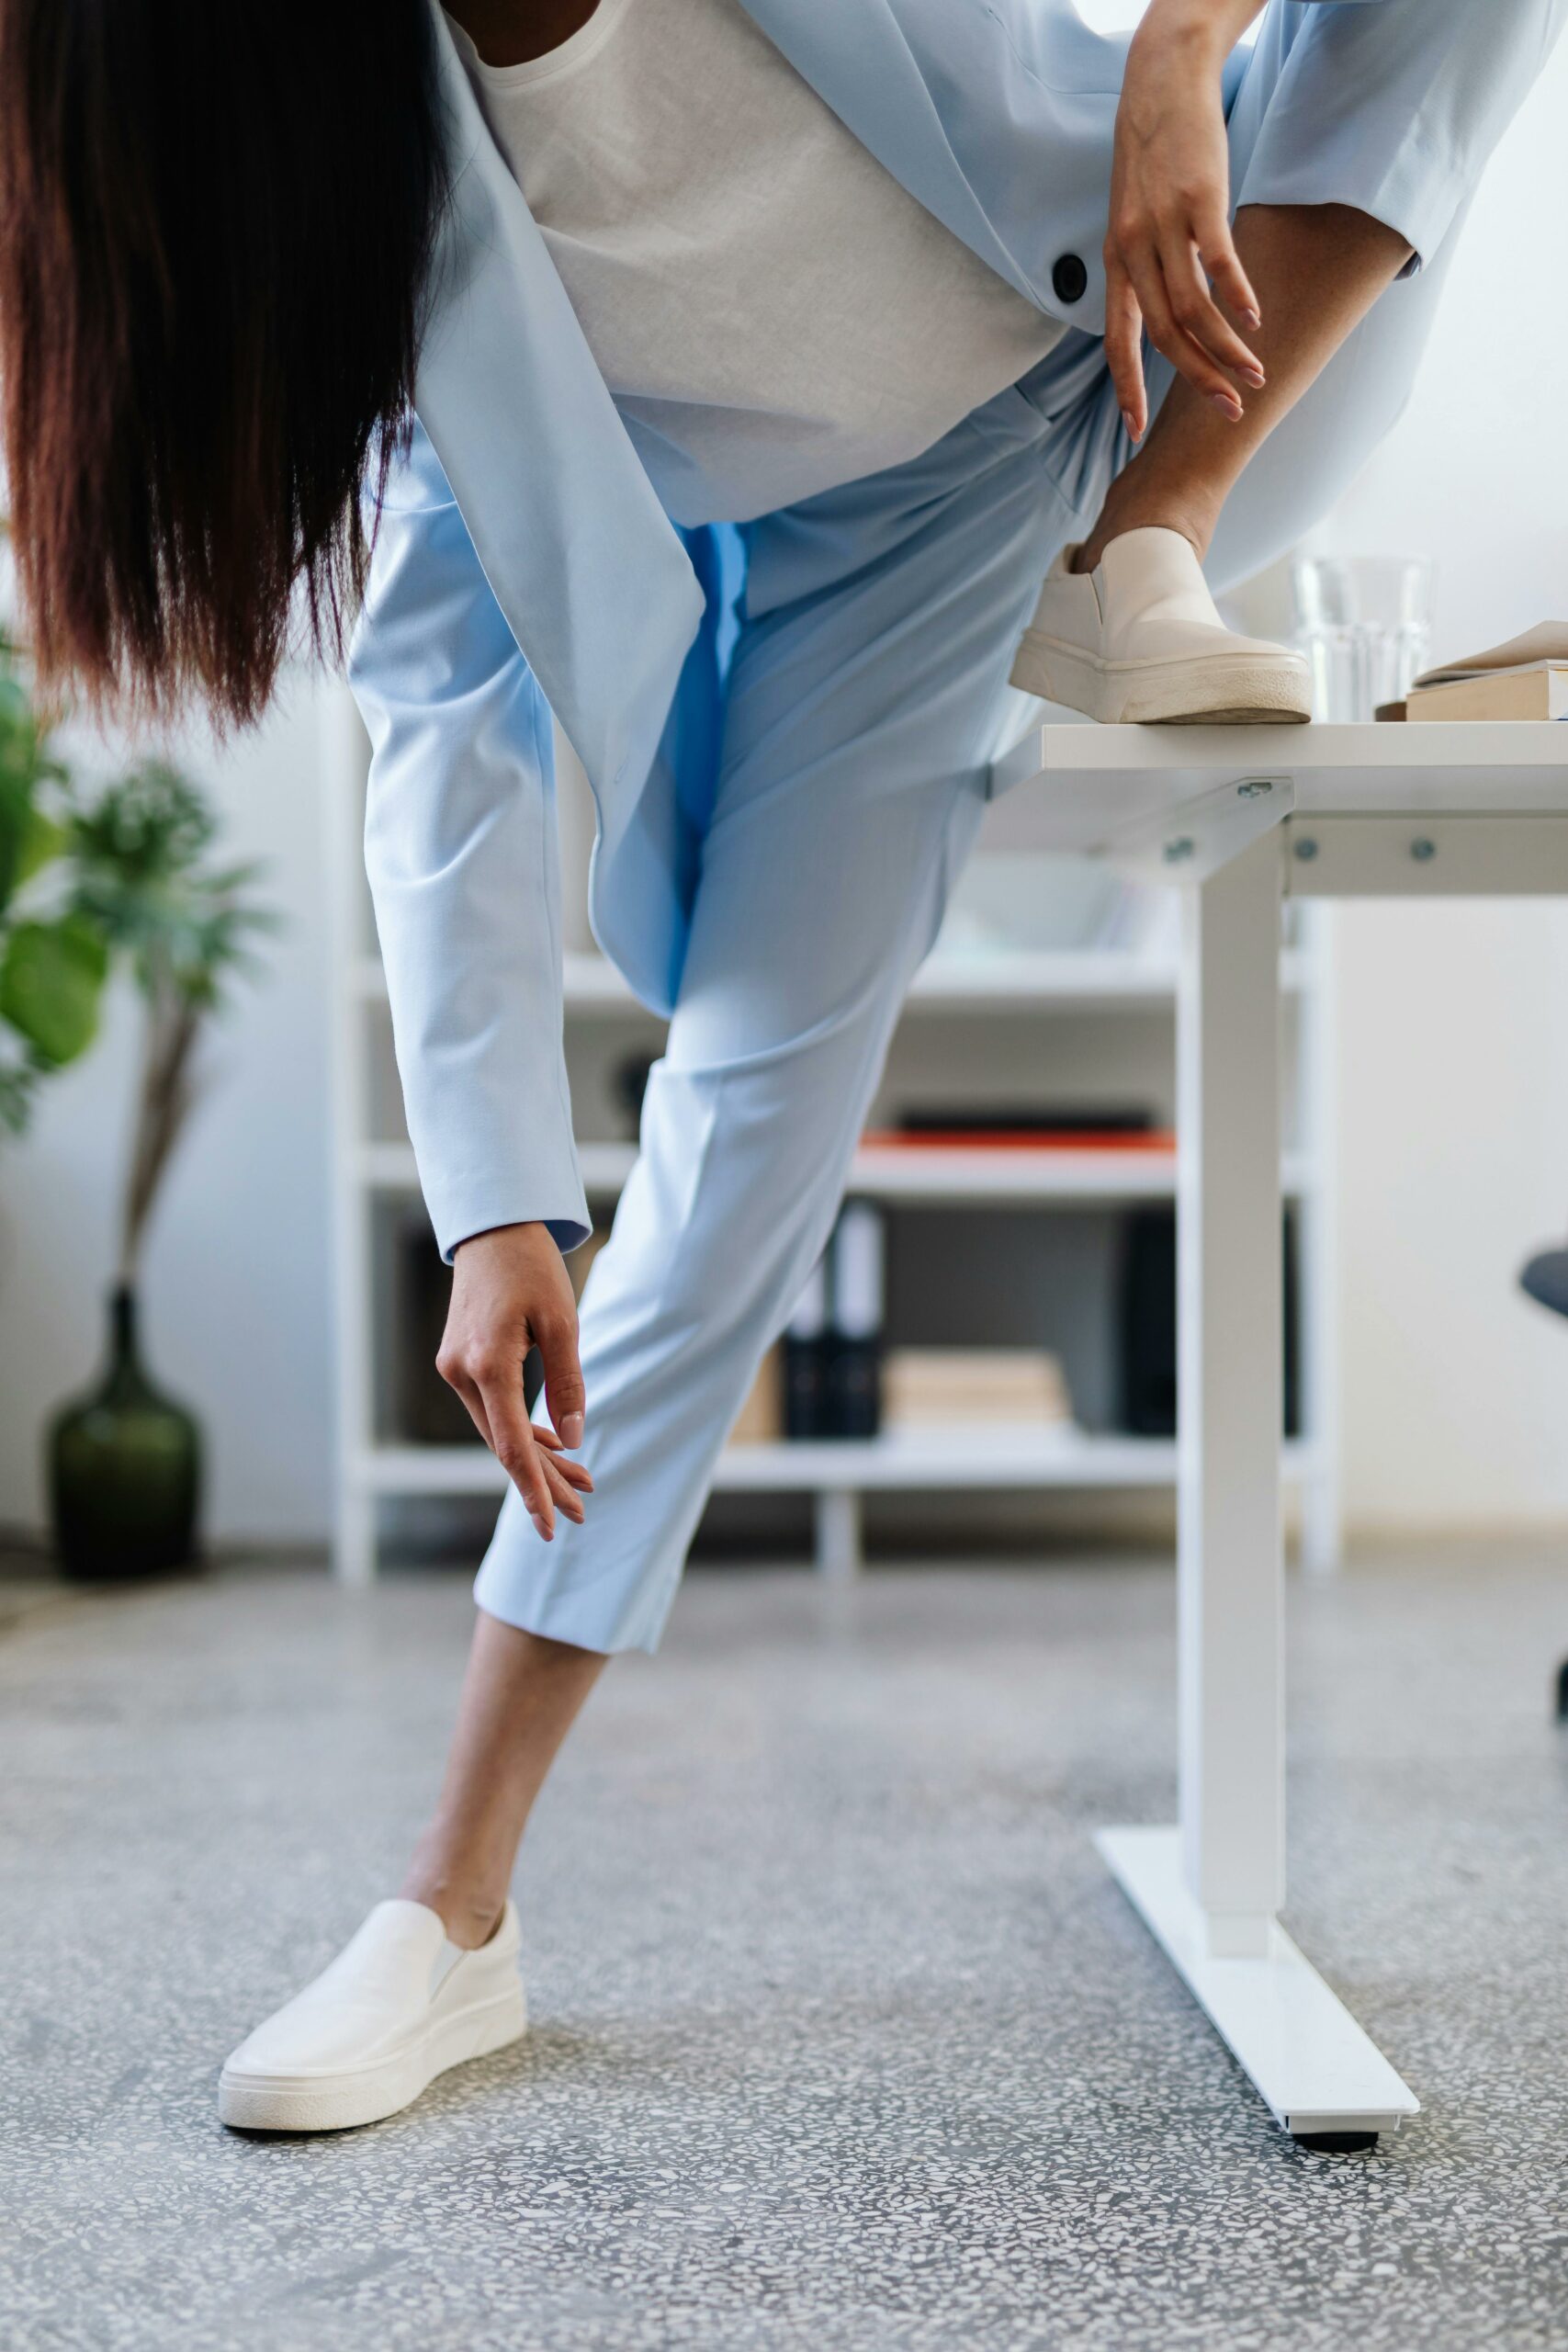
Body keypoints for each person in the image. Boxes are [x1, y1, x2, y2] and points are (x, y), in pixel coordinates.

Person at [1, 0, 1558, 2133]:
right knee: (735, 1134)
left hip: (1124, 362)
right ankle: (448, 1912)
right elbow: (448, 691)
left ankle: (1144, 547)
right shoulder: (367, 154)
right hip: (850, 572)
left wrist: (1182, 46)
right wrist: (492, 1199)